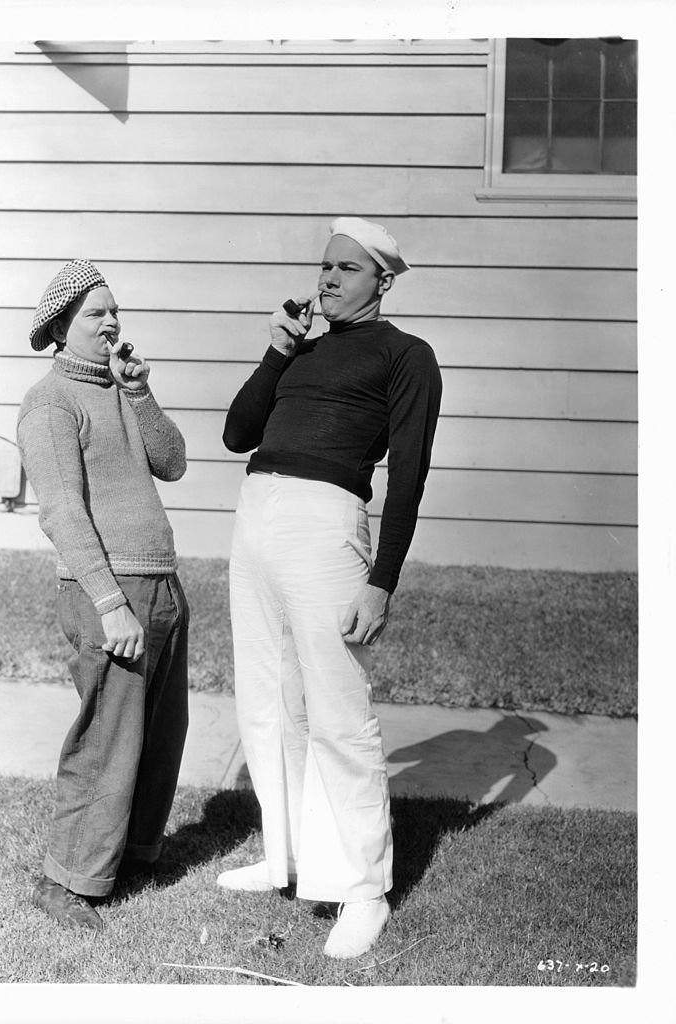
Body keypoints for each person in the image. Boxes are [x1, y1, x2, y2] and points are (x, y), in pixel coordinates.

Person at [219, 217, 442, 958]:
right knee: (267, 695)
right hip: (257, 515)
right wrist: (277, 350)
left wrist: (382, 582)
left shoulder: (407, 355)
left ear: (381, 280)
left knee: (336, 710)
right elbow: (236, 433)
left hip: (326, 524)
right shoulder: (301, 350)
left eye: (347, 269)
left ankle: (360, 888)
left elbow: (407, 476)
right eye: (324, 266)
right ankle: (284, 855)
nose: (328, 279)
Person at [17, 259, 189, 931]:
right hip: (107, 593)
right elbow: (61, 512)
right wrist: (110, 603)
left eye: (115, 310)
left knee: (158, 733)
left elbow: (172, 462)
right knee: (106, 739)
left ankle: (131, 856)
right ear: (61, 327)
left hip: (160, 583)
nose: (112, 321)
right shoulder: (49, 402)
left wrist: (141, 392)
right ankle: (66, 880)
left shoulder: (121, 388)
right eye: (95, 313)